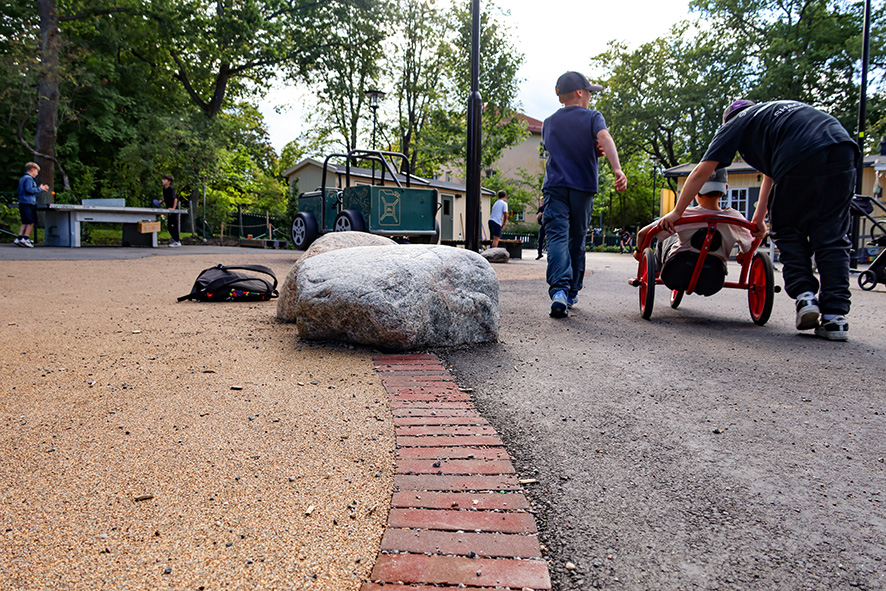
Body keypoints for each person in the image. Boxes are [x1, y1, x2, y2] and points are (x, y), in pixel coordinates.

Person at [660, 100, 858, 341]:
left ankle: (806, 297)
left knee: (788, 230)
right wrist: (758, 219)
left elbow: (702, 171)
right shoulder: (774, 114)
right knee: (832, 236)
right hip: (842, 145)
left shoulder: (736, 123)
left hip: (798, 155)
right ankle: (835, 318)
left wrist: (677, 211)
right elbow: (769, 175)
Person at [542, 71, 627, 318]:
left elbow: (558, 149)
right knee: (576, 239)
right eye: (590, 91)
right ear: (580, 93)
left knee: (557, 237)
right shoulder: (593, 117)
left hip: (555, 186)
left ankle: (558, 291)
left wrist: (590, 148)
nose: (591, 96)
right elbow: (605, 138)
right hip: (583, 187)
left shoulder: (549, 122)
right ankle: (571, 292)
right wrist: (617, 169)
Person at [635, 168, 754, 295]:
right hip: (713, 279)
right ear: (725, 188)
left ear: (695, 190)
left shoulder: (684, 214)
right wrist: (742, 254)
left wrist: (638, 251)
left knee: (665, 235)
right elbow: (749, 247)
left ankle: (655, 269)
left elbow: (642, 234)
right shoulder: (736, 218)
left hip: (675, 272)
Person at [14, 162, 49, 248]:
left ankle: (19, 237)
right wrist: (40, 188)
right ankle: (26, 238)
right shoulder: (29, 179)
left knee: (25, 221)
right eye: (36, 172)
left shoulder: (22, 178)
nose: (36, 174)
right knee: (31, 221)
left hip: (23, 202)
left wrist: (38, 189)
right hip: (28, 202)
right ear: (32, 170)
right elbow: (29, 190)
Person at [160, 174, 181, 248]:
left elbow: (175, 199)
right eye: (163, 179)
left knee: (174, 226)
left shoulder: (171, 189)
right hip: (169, 210)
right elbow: (167, 198)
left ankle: (177, 241)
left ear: (169, 182)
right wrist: (162, 201)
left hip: (173, 210)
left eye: (164, 180)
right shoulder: (164, 189)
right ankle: (173, 238)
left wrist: (173, 208)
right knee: (169, 226)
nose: (162, 181)